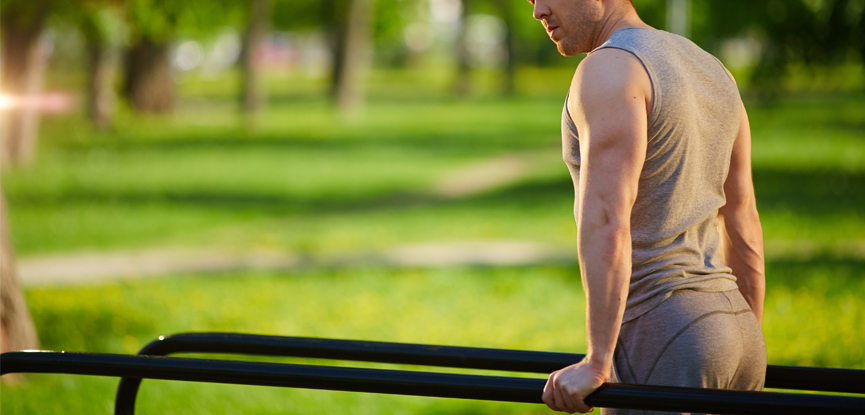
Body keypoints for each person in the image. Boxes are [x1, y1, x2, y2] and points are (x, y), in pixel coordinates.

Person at [528, 0, 768, 413]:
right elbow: (742, 217)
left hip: (664, 330)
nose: (538, 11)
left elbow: (607, 218)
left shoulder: (609, 69)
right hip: (740, 331)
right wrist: (746, 337)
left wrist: (597, 361)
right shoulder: (713, 69)